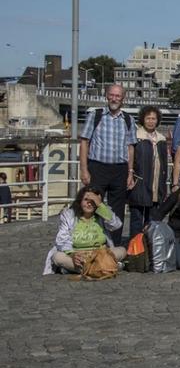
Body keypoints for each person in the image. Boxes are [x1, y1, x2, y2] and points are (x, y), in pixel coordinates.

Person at [79, 83, 136, 244]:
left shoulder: (128, 119)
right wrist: (84, 169)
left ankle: (114, 245)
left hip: (119, 169)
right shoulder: (96, 115)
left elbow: (130, 147)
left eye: (118, 96)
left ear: (123, 99)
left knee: (117, 210)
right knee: (92, 204)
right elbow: (84, 142)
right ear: (106, 96)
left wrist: (130, 172)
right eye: (112, 95)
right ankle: (91, 241)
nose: (114, 98)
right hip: (98, 167)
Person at [43, 187, 127, 275]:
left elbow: (116, 225)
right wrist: (73, 255)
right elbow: (62, 240)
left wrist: (100, 205)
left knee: (122, 251)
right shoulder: (69, 215)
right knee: (57, 257)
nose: (89, 204)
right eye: (86, 200)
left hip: (99, 255)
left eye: (93, 201)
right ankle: (104, 268)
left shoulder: (101, 213)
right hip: (78, 255)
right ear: (80, 201)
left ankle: (83, 270)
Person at [128, 105, 168, 236]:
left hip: (157, 186)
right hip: (139, 183)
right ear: (142, 119)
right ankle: (135, 249)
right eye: (148, 118)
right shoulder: (136, 136)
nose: (151, 121)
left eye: (154, 118)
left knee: (151, 221)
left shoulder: (161, 139)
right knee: (136, 220)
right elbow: (130, 158)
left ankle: (150, 249)